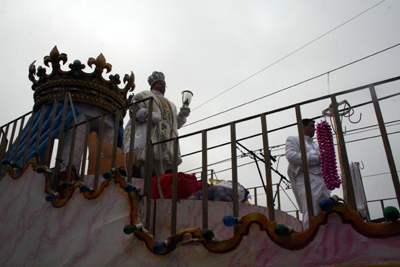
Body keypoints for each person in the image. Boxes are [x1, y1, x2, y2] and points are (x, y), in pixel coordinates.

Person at [122, 71, 190, 178]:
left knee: (163, 165)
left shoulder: (171, 104)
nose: (163, 86)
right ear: (154, 84)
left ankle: (160, 184)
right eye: (161, 83)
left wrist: (182, 115)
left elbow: (175, 125)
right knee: (147, 161)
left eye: (164, 84)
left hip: (166, 140)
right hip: (147, 135)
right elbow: (134, 110)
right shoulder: (143, 95)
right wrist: (147, 114)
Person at [285, 119, 330, 229]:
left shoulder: (316, 145)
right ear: (303, 127)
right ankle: (310, 233)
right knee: (311, 209)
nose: (314, 129)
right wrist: (316, 159)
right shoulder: (294, 140)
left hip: (321, 178)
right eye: (311, 126)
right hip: (306, 178)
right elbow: (291, 156)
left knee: (326, 207)